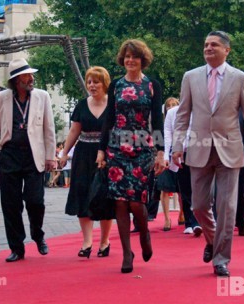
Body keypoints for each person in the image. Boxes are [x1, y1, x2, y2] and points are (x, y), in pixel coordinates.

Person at [172, 31, 244, 277]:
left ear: (227, 50)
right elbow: (182, 115)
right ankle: (213, 240)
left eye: (214, 44)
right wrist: (177, 146)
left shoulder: (240, 78)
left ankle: (221, 259)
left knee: (227, 207)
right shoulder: (190, 77)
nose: (208, 48)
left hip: (230, 149)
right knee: (199, 205)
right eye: (205, 44)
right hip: (199, 148)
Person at [96, 39, 165, 273]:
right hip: (117, 148)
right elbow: (108, 119)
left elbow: (157, 119)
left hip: (143, 147)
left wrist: (160, 151)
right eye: (126, 56)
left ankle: (144, 232)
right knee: (120, 202)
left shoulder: (153, 85)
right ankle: (127, 253)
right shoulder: (115, 85)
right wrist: (101, 150)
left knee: (137, 202)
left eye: (134, 56)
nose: (130, 60)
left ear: (142, 59)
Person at [0, 58, 56, 262]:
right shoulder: (0, 98)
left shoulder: (42, 96)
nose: (31, 78)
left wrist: (50, 157)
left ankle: (38, 235)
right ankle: (17, 248)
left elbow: (49, 129)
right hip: (9, 154)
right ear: (17, 79)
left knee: (35, 201)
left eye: (31, 74)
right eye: (27, 75)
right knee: (11, 204)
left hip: (34, 155)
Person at [61, 66, 113, 259]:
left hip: (106, 156)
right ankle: (87, 241)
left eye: (96, 81)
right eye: (89, 81)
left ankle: (105, 241)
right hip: (83, 155)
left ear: (104, 83)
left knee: (104, 197)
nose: (92, 85)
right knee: (82, 194)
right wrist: (65, 153)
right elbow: (74, 131)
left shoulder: (113, 104)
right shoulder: (82, 105)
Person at [163, 98, 201, 236]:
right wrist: (166, 155)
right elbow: (167, 135)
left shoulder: (199, 109)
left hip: (198, 151)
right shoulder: (172, 113)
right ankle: (189, 222)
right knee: (184, 189)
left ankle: (198, 221)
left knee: (198, 187)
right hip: (180, 153)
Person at [157, 97, 181, 231]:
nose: (171, 107)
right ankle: (167, 219)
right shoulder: (161, 124)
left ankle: (183, 214)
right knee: (164, 188)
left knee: (182, 189)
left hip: (180, 157)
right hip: (165, 157)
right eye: (168, 105)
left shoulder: (184, 122)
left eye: (174, 105)